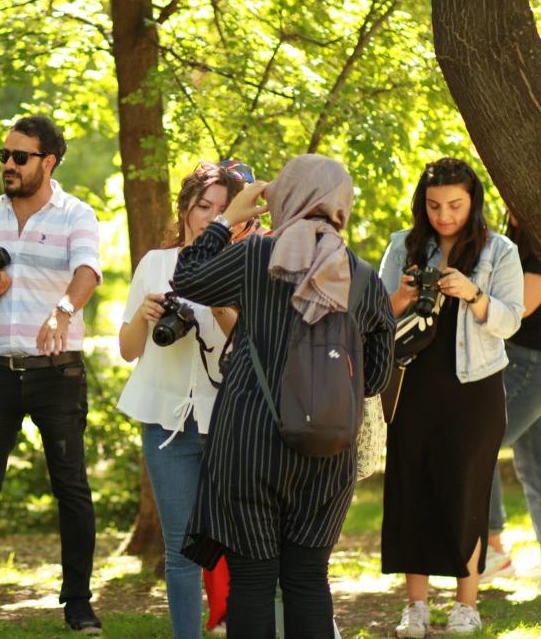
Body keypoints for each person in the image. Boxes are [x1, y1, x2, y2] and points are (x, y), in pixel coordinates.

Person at [173, 154, 395, 637]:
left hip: (250, 443)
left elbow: (187, 277)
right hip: (327, 450)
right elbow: (376, 376)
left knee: (252, 582)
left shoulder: (256, 257)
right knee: (309, 580)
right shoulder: (363, 277)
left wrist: (226, 221)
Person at [0, 115, 103, 637]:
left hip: (57, 372)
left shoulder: (76, 214)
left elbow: (87, 272)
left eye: (20, 156)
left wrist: (62, 310)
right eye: (5, 155)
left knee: (71, 488)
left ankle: (78, 605)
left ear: (48, 161)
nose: (8, 164)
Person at [380, 157, 524, 636]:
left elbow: (511, 320)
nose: (444, 215)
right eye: (434, 205)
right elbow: (374, 316)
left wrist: (474, 294)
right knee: (411, 489)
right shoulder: (402, 245)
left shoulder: (499, 250)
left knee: (468, 492)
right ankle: (416, 607)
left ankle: (466, 605)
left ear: (473, 202)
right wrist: (401, 298)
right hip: (412, 385)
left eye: (455, 205)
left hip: (475, 389)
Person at [117, 162, 246, 639]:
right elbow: (128, 349)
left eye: (222, 209)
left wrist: (218, 303)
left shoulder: (243, 264)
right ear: (186, 208)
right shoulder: (155, 263)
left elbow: (248, 345)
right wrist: (144, 315)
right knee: (181, 550)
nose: (210, 216)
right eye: (203, 206)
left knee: (246, 545)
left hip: (228, 422)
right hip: (166, 422)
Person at [483, 212, 541, 581]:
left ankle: (493, 548)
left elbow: (516, 310)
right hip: (520, 359)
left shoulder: (536, 240)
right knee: (534, 467)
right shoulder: (515, 233)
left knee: (479, 441)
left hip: (532, 364)